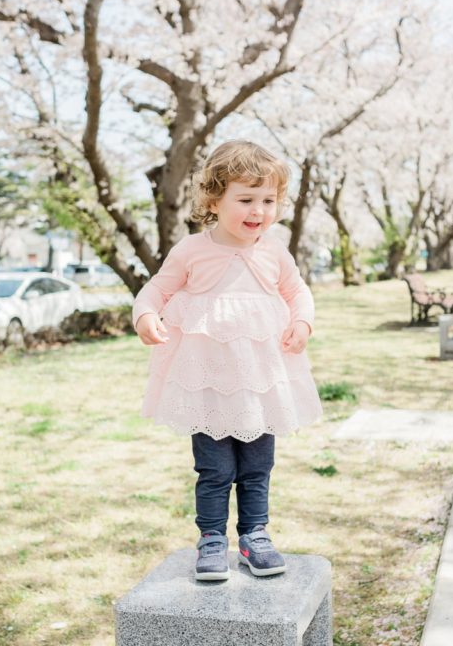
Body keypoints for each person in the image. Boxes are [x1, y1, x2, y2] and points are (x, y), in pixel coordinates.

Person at [132, 140, 321, 582]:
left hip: (259, 385)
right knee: (215, 469)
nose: (258, 210)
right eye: (246, 199)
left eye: (268, 200)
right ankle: (212, 539)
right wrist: (144, 314)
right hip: (208, 386)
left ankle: (255, 537)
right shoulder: (192, 251)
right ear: (214, 200)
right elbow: (156, 290)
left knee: (257, 467)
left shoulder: (273, 251)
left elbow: (297, 291)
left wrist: (303, 322)